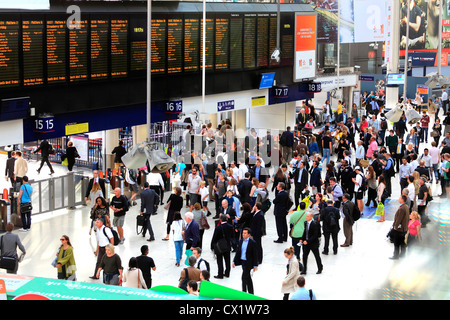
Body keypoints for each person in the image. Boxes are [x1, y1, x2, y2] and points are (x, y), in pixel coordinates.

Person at [232, 227, 259, 295]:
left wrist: (255, 265)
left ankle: (243, 292)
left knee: (244, 277)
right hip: (243, 261)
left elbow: (255, 254)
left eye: (245, 233)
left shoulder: (252, 242)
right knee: (248, 278)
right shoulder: (241, 241)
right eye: (243, 233)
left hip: (249, 262)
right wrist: (234, 261)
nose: (243, 234)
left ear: (249, 234)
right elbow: (238, 252)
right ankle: (251, 293)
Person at [210, 214, 233, 279]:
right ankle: (227, 273)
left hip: (219, 246)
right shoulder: (230, 226)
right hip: (227, 245)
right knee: (227, 260)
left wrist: (212, 246)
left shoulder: (218, 228)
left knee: (219, 260)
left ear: (220, 219)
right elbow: (233, 236)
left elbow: (214, 237)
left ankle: (220, 274)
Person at [390, 195, 409, 260]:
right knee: (402, 242)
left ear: (402, 199)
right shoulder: (406, 207)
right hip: (404, 228)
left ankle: (396, 255)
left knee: (397, 243)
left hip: (399, 229)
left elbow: (399, 219)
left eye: (399, 198)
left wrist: (395, 226)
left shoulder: (402, 208)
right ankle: (402, 254)